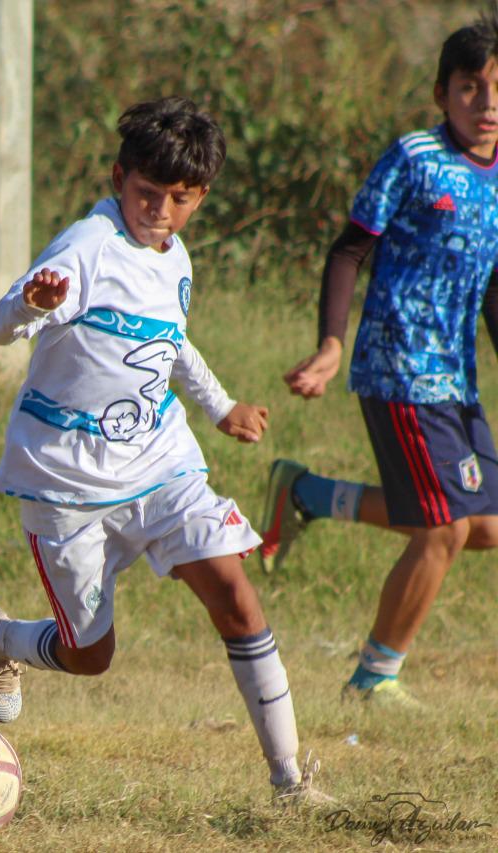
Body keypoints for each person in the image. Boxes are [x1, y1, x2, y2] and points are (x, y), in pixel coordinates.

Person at [0, 97, 324, 804]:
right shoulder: (85, 247)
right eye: (146, 193)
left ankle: (290, 784)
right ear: (118, 177)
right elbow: (0, 326)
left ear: (201, 198)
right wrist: (33, 304)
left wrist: (220, 406)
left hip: (162, 464)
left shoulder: (175, 256)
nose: (159, 210)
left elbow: (171, 342)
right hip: (65, 480)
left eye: (179, 199)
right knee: (90, 656)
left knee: (235, 593)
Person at [262, 12, 498, 708]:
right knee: (442, 527)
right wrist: (332, 343)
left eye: (497, 90)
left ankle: (306, 493)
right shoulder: (414, 158)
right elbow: (349, 248)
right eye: (469, 88)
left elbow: (492, 290)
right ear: (441, 94)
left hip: (456, 379)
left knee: (484, 525)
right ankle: (374, 674)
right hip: (399, 366)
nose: (486, 105)